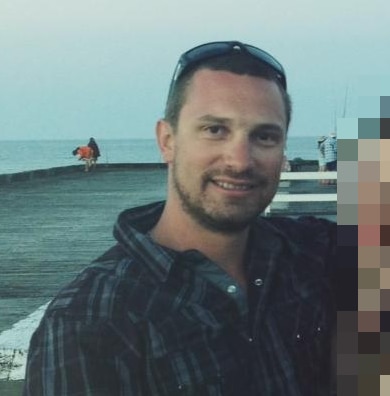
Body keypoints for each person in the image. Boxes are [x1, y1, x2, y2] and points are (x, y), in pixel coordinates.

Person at [24, 41, 337, 396]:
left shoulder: (313, 251)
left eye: (264, 136)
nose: (239, 161)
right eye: (214, 130)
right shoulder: (92, 321)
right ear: (167, 140)